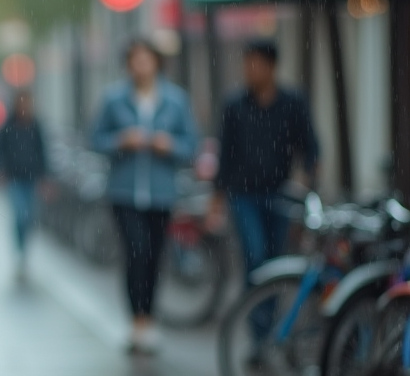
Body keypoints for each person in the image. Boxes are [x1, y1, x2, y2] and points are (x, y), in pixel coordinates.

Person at [91, 37, 199, 354]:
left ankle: (149, 317)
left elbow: (191, 144)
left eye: (146, 59)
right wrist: (120, 141)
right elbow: (95, 139)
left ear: (156, 62)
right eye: (135, 60)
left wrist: (171, 146)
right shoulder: (114, 99)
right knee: (135, 253)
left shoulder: (176, 100)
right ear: (128, 65)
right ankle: (137, 320)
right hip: (124, 193)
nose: (141, 65)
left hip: (161, 193)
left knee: (154, 256)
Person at [207, 38, 319, 280]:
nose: (249, 70)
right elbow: (225, 153)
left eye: (255, 64)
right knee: (254, 253)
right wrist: (217, 196)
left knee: (276, 257)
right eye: (247, 64)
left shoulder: (292, 103)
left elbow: (311, 147)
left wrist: (305, 179)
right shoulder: (235, 106)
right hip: (243, 194)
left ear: (271, 66)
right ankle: (256, 313)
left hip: (280, 192)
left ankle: (268, 314)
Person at [0, 89, 48, 275]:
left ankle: (25, 250)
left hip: (32, 178)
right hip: (15, 178)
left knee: (30, 217)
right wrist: (0, 170)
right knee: (20, 215)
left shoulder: (36, 126)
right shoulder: (9, 125)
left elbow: (43, 152)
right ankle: (20, 250)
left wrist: (45, 177)